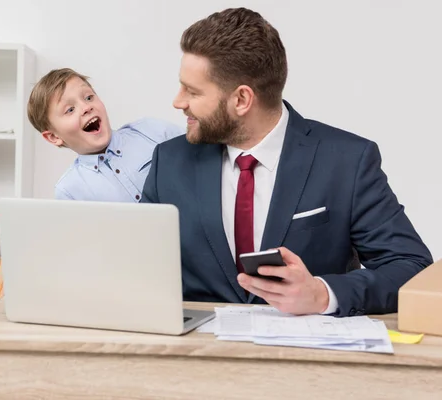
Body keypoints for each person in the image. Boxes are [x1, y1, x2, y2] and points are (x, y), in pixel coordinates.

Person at [142, 7, 433, 316]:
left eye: (192, 91)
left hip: (307, 356)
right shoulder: (169, 162)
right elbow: (135, 268)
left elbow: (410, 267)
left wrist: (323, 294)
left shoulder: (346, 161)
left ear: (242, 99)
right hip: (193, 357)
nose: (178, 101)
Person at [27, 68, 184, 202]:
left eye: (89, 97)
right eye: (70, 110)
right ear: (54, 137)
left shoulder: (151, 131)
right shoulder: (69, 191)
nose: (86, 107)